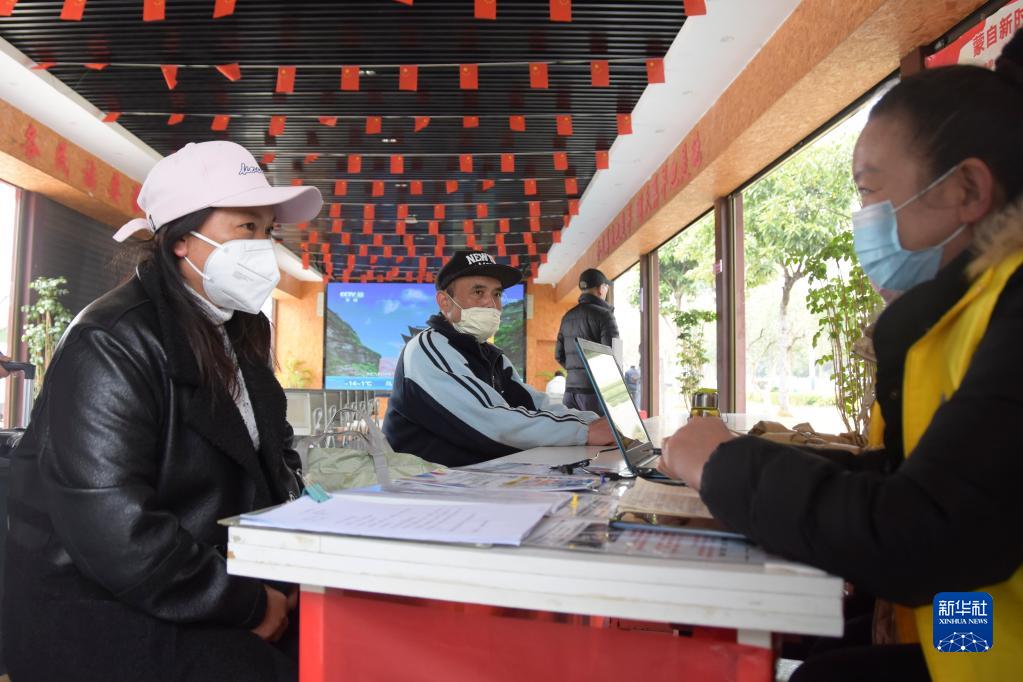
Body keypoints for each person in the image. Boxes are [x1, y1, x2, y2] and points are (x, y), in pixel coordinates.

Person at [657, 33, 1023, 682]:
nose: (862, 219)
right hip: (977, 628)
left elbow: (926, 535)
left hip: (994, 645)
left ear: (966, 189)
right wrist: (745, 458)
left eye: (869, 191)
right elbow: (922, 483)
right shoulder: (966, 310)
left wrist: (723, 466)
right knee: (829, 654)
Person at [2, 140, 323, 682]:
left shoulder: (239, 330)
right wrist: (247, 604)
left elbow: (275, 460)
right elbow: (113, 525)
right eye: (247, 227)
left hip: (209, 584)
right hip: (101, 610)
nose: (262, 248)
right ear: (181, 239)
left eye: (269, 231)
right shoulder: (111, 339)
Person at [383, 250, 613, 467]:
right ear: (445, 302)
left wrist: (593, 422)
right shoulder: (427, 349)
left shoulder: (491, 356)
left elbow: (535, 404)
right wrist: (585, 431)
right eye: (478, 292)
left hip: (476, 477)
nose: (491, 303)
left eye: (497, 294)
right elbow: (491, 421)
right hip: (423, 482)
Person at [555, 267, 620, 415]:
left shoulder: (567, 317)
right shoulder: (605, 315)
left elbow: (559, 355)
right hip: (593, 393)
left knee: (574, 430)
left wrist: (576, 370)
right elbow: (612, 355)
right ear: (600, 289)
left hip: (570, 393)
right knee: (599, 430)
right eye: (606, 287)